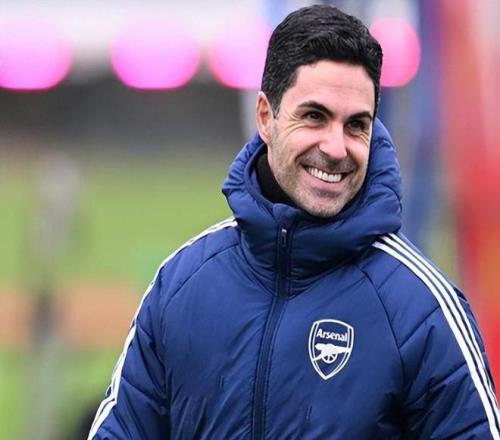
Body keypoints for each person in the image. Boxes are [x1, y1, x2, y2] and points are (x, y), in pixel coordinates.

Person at [88, 5, 500, 439]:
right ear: (266, 117)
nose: (336, 147)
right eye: (314, 116)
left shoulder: (420, 306)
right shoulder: (182, 283)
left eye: (356, 125)